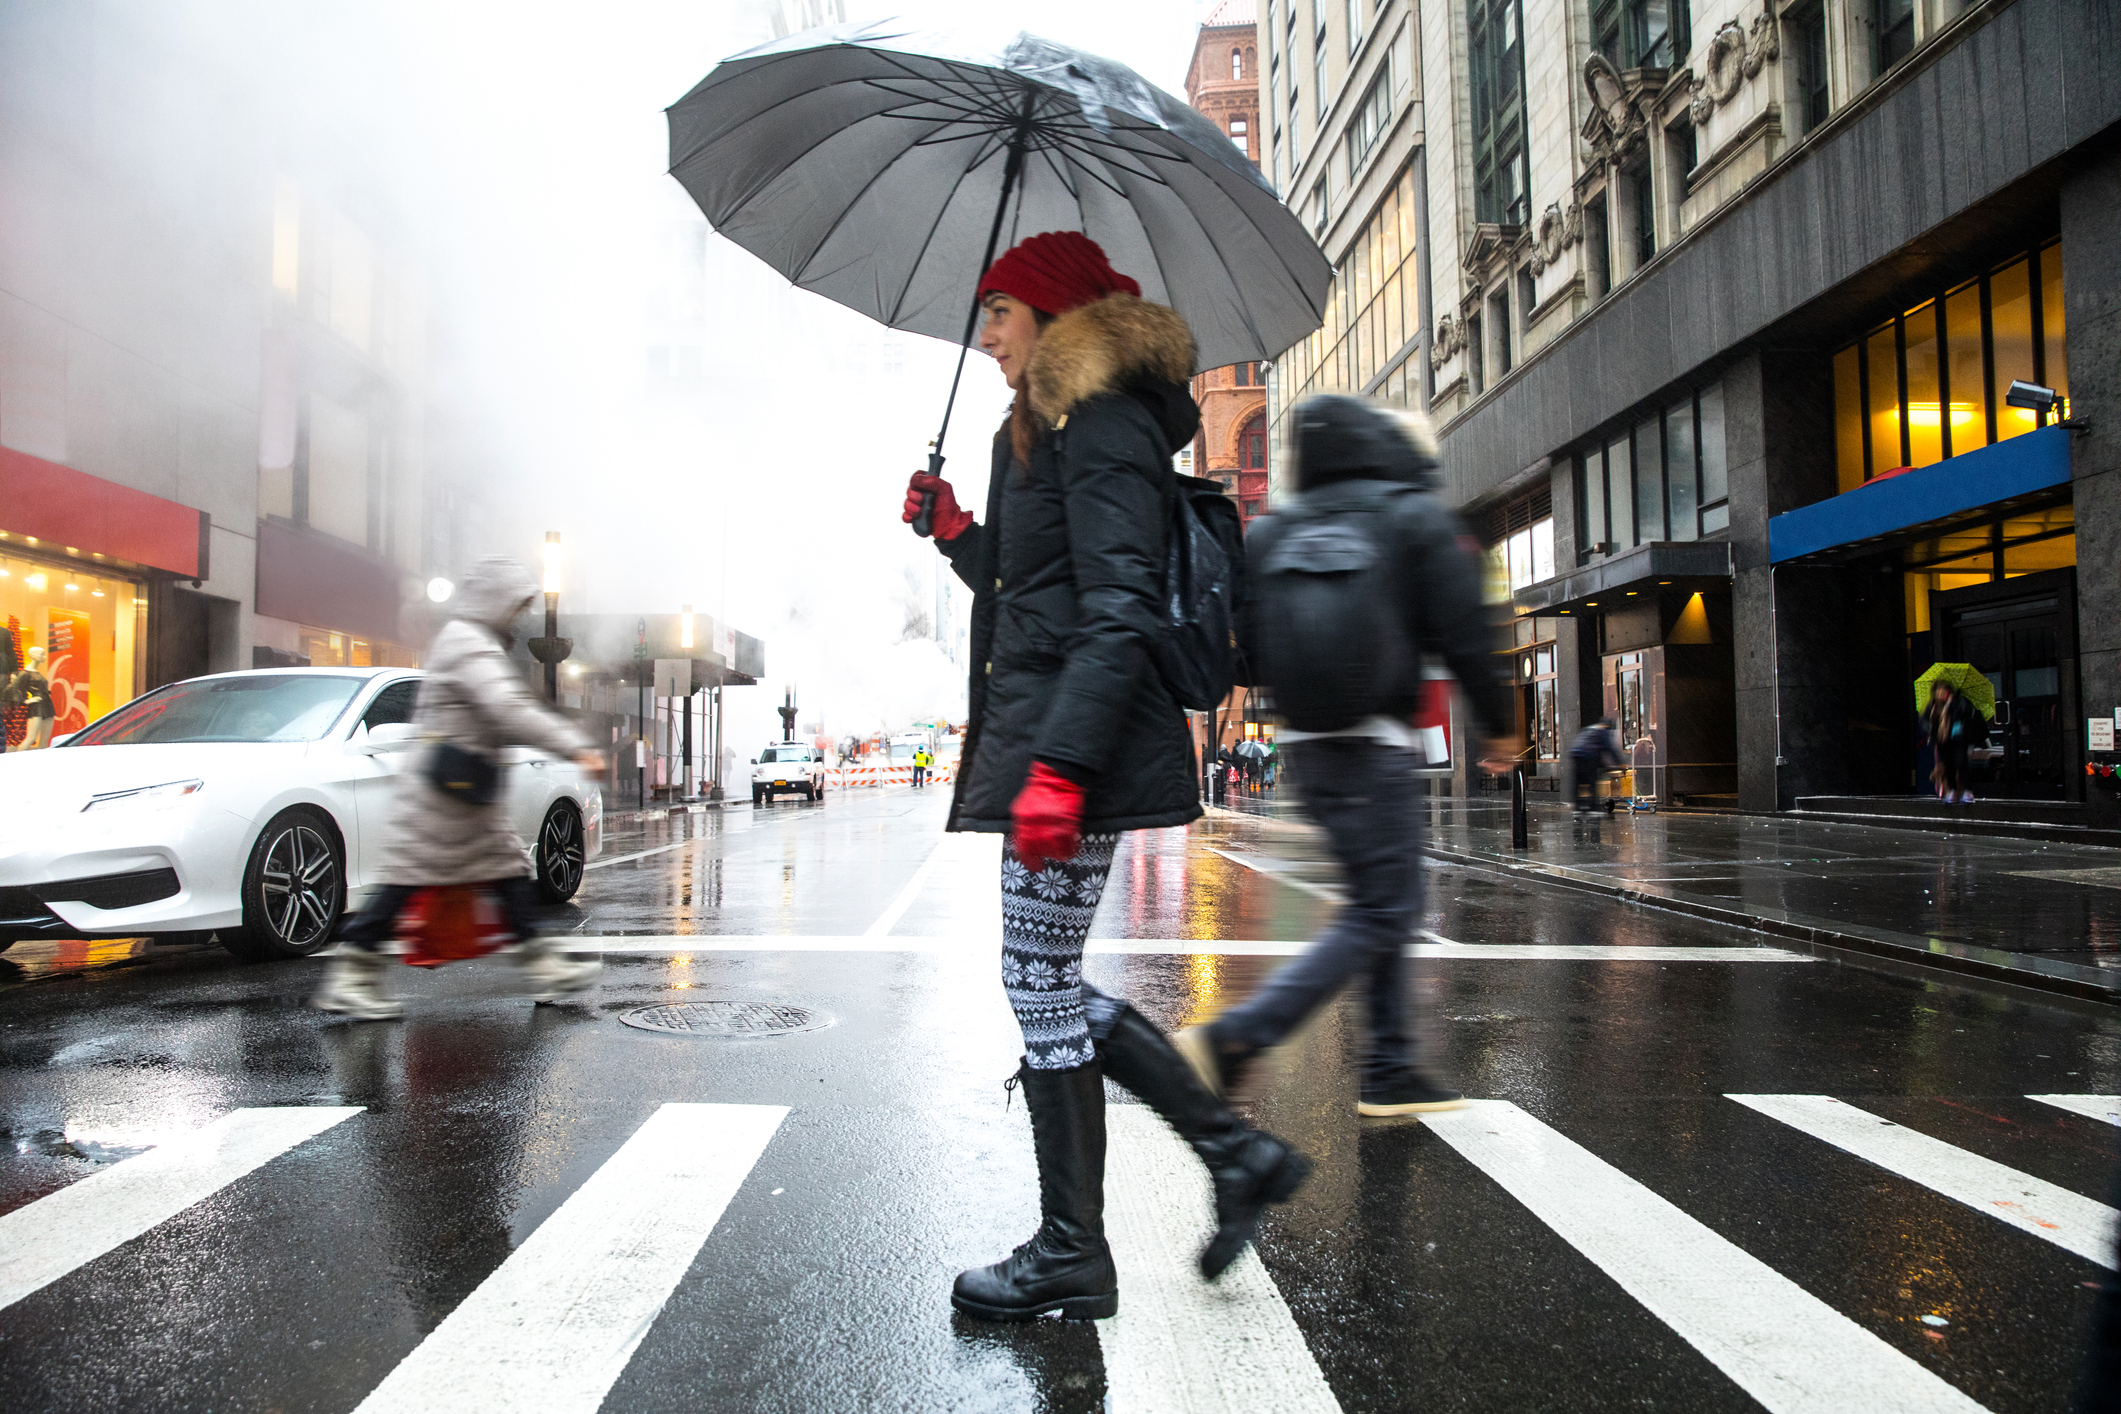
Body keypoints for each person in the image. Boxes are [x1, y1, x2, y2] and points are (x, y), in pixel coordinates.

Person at [902, 230, 1309, 1322]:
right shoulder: (1039, 428)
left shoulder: (1109, 424)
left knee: (1036, 979)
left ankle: (1078, 1247)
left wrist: (1060, 771)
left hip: (1073, 744)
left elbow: (1120, 603)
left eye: (999, 312)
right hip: (1049, 731)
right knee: (1042, 977)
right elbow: (1037, 580)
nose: (983, 334)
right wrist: (955, 535)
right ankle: (1225, 1159)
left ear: (1053, 317)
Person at [1180, 394, 1515, 1118]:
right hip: (1374, 742)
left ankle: (1389, 1066)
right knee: (1385, 906)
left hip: (1305, 749)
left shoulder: (1271, 533)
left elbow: (1246, 648)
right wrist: (1499, 724)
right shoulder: (1410, 515)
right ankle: (1242, 1034)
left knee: (1378, 897)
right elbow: (1463, 633)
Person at [312, 556, 609, 1021]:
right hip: (445, 797)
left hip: (465, 791)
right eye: (515, 604)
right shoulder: (468, 643)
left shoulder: (472, 640)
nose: (519, 614)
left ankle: (540, 966)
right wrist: (574, 745)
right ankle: (353, 977)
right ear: (496, 601)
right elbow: (506, 707)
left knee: (498, 874)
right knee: (413, 881)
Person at [1924, 680, 1982, 804]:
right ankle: (1952, 791)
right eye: (1938, 690)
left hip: (1958, 738)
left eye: (1943, 690)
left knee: (1960, 763)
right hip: (1942, 740)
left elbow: (1966, 713)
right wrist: (1930, 728)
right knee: (1947, 765)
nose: (1940, 693)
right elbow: (1925, 720)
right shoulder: (1933, 705)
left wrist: (1956, 707)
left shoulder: (1957, 702)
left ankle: (1968, 791)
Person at [1569, 718, 1623, 813]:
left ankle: (1577, 805)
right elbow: (1609, 748)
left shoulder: (1588, 729)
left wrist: (1603, 765)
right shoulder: (1603, 731)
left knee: (1578, 781)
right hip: (1589, 756)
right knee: (1592, 781)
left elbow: (1597, 750)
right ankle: (1593, 805)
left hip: (1576, 755)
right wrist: (1620, 763)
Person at [6, 646, 55, 750]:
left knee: (45, 739)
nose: (45, 657)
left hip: (47, 705)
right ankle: (16, 761)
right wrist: (27, 700)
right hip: (37, 707)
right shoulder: (25, 673)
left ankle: (41, 761)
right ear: (33, 656)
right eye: (42, 654)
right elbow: (12, 689)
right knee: (31, 737)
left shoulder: (36, 673)